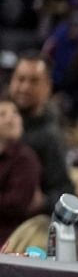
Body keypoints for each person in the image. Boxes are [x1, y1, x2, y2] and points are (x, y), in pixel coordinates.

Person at [8, 52, 73, 214]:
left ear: (47, 87)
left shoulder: (50, 137)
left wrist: (43, 202)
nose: (24, 87)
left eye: (34, 81)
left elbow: (65, 190)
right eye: (20, 79)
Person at [0, 97, 40, 242]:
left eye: (15, 113)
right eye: (2, 114)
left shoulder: (25, 158)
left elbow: (17, 203)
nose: (10, 118)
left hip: (9, 240)